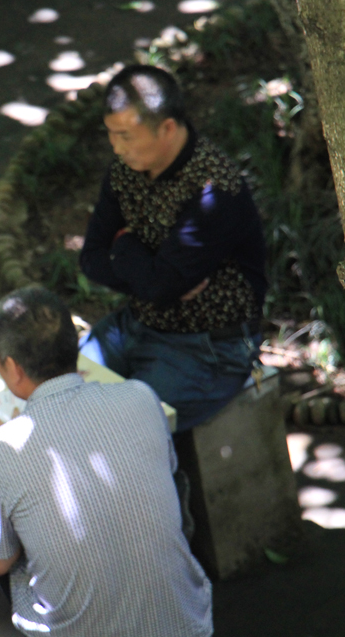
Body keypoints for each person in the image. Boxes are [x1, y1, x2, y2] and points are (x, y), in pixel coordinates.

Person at [0, 286, 212, 637]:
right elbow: (168, 473)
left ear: (12, 367)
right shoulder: (141, 397)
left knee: (7, 548)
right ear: (74, 347)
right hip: (186, 624)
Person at [78, 64, 267, 431]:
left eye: (125, 136)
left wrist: (124, 243)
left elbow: (158, 284)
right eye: (111, 134)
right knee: (59, 394)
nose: (116, 147)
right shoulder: (124, 171)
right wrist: (152, 277)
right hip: (135, 325)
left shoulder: (214, 190)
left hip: (208, 348)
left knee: (121, 429)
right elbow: (91, 259)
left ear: (166, 128)